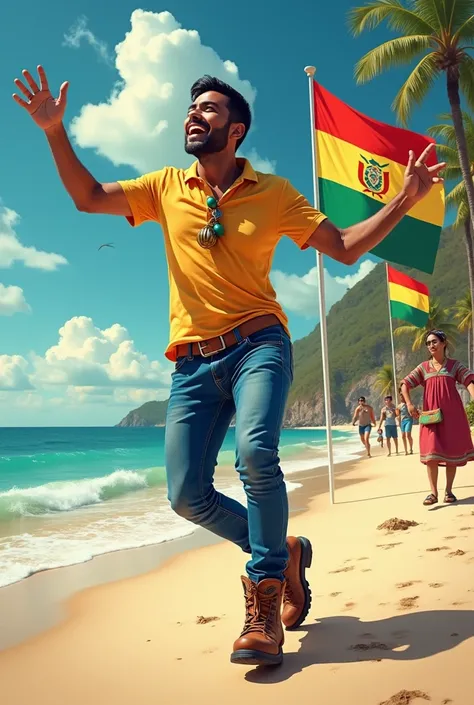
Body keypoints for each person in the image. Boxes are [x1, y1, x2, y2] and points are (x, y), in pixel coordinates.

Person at [12, 65, 445, 667]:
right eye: (193, 109)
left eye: (210, 110)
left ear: (236, 130)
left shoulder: (275, 194)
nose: (195, 116)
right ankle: (284, 553)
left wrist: (404, 197)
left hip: (258, 345)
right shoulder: (165, 187)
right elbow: (87, 198)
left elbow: (344, 247)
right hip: (190, 366)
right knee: (185, 495)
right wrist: (55, 131)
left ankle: (265, 600)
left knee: (255, 455)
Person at [401, 329, 474, 506]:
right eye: (428, 343)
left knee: (451, 453)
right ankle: (433, 493)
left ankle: (448, 491)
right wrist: (409, 404)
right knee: (431, 454)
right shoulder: (423, 368)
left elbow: (469, 381)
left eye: (434, 341)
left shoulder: (454, 366)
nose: (431, 345)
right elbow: (405, 384)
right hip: (431, 417)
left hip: (452, 416)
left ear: (443, 343)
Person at [397, 388, 414, 455]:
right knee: (403, 436)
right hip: (402, 421)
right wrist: (399, 423)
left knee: (408, 435)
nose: (401, 397)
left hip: (408, 420)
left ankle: (411, 448)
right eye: (400, 396)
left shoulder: (408, 404)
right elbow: (398, 415)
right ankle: (406, 450)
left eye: (402, 395)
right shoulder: (399, 406)